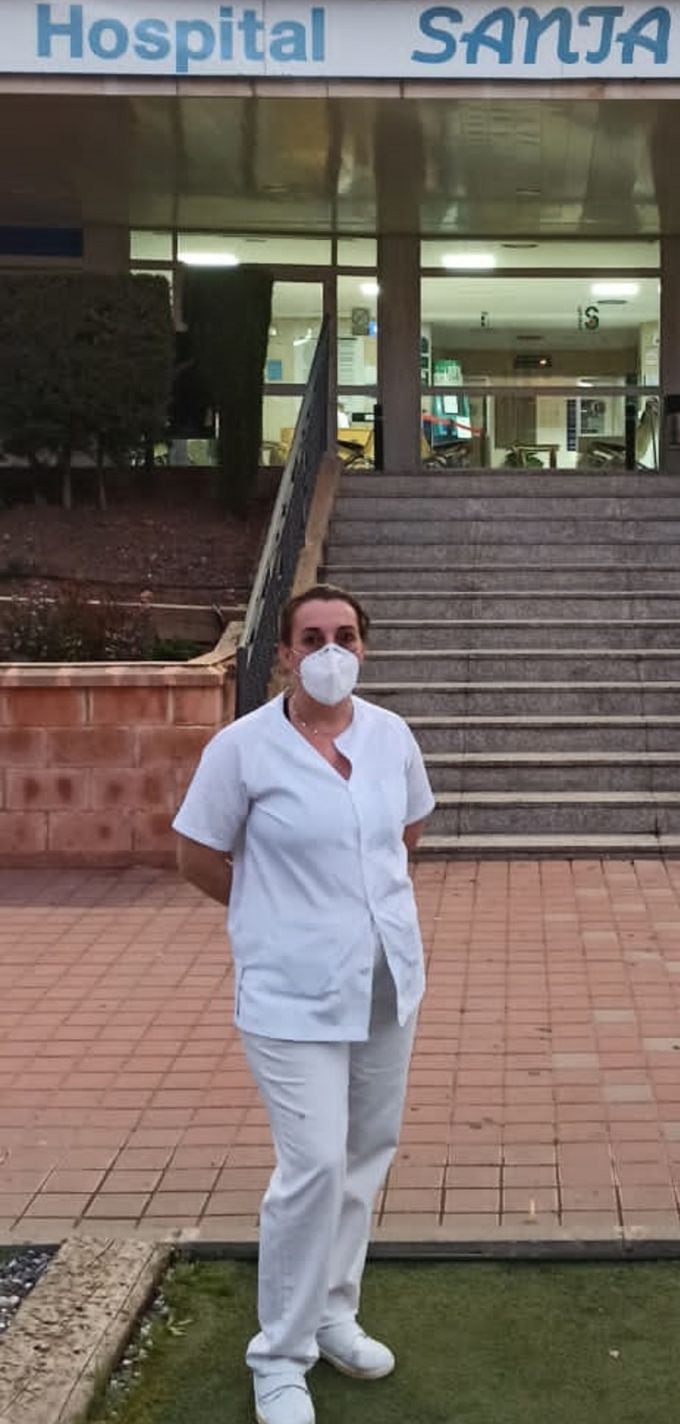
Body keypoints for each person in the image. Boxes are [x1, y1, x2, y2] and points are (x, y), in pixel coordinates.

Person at [172, 583, 436, 1424]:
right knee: (314, 1165)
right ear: (283, 653)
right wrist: (272, 915)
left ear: (366, 646)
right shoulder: (243, 749)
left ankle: (332, 1313)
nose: (330, 650)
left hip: (385, 980)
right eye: (311, 637)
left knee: (363, 1156)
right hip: (289, 992)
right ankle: (278, 1357)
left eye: (345, 635)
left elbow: (408, 836)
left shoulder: (391, 736)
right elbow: (197, 855)